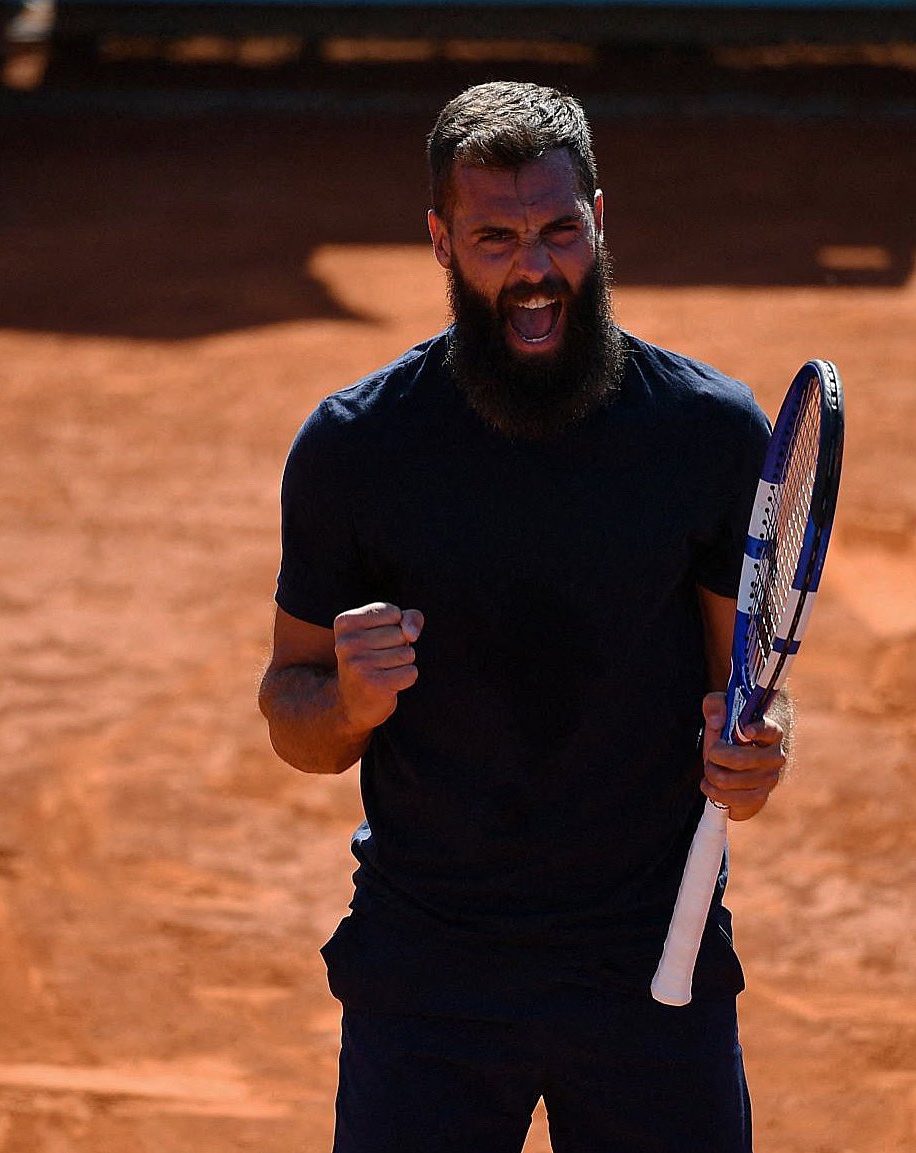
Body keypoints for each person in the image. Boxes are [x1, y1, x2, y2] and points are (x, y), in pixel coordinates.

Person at [259, 81, 787, 1153]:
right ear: (440, 242)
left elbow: (737, 696)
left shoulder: (707, 434)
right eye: (494, 238)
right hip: (429, 970)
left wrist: (756, 751)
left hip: (652, 956)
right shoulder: (356, 448)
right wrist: (349, 702)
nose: (533, 267)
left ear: (601, 219)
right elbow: (292, 712)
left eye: (559, 230)